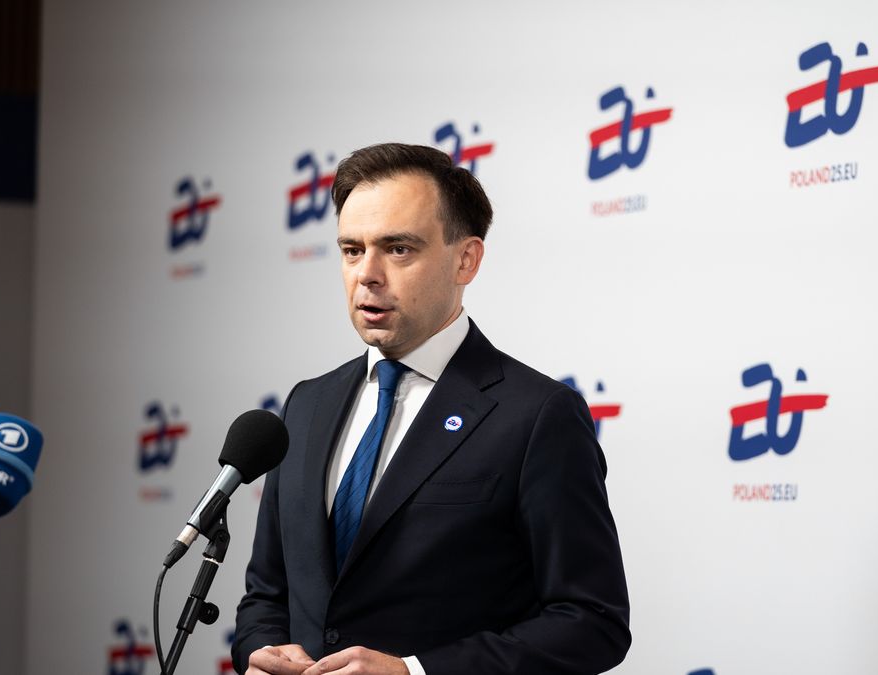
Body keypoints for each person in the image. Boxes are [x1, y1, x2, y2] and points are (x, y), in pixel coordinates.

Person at [233, 143, 630, 675]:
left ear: (465, 259)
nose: (367, 274)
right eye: (352, 250)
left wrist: (416, 672)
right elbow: (267, 593)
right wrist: (258, 648)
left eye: (398, 249)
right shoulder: (308, 404)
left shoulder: (537, 416)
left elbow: (591, 621)